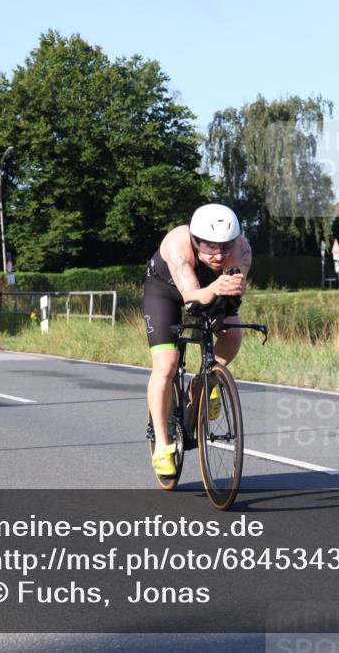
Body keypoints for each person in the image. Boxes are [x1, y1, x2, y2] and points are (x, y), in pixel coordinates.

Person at [144, 204, 252, 477]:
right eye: (209, 246)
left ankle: (202, 381)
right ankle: (162, 445)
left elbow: (232, 297)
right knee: (167, 365)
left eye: (225, 246)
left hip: (209, 290)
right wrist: (215, 287)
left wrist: (234, 289)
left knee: (233, 333)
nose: (218, 254)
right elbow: (192, 295)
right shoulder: (177, 245)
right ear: (194, 239)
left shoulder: (241, 250)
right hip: (166, 291)